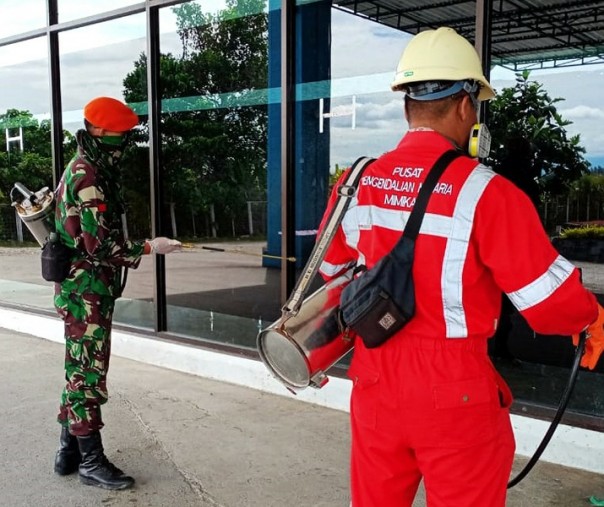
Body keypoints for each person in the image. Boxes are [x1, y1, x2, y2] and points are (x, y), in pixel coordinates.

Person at [317, 27, 604, 507]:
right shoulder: (488, 192)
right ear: (467, 105)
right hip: (454, 391)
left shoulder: (358, 180)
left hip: (375, 377)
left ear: (407, 104)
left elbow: (331, 271)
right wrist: (590, 318)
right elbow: (550, 306)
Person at [52, 96, 182, 490]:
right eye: (122, 134)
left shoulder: (87, 166)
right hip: (85, 292)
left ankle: (69, 451)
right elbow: (100, 247)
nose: (126, 140)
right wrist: (149, 246)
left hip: (83, 289)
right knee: (87, 374)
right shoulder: (87, 175)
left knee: (78, 369)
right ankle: (91, 461)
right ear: (101, 131)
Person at [490, 136, 539, 363]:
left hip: (492, 240)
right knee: (505, 301)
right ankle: (499, 348)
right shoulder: (526, 176)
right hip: (514, 244)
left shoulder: (495, 172)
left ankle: (493, 348)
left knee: (494, 299)